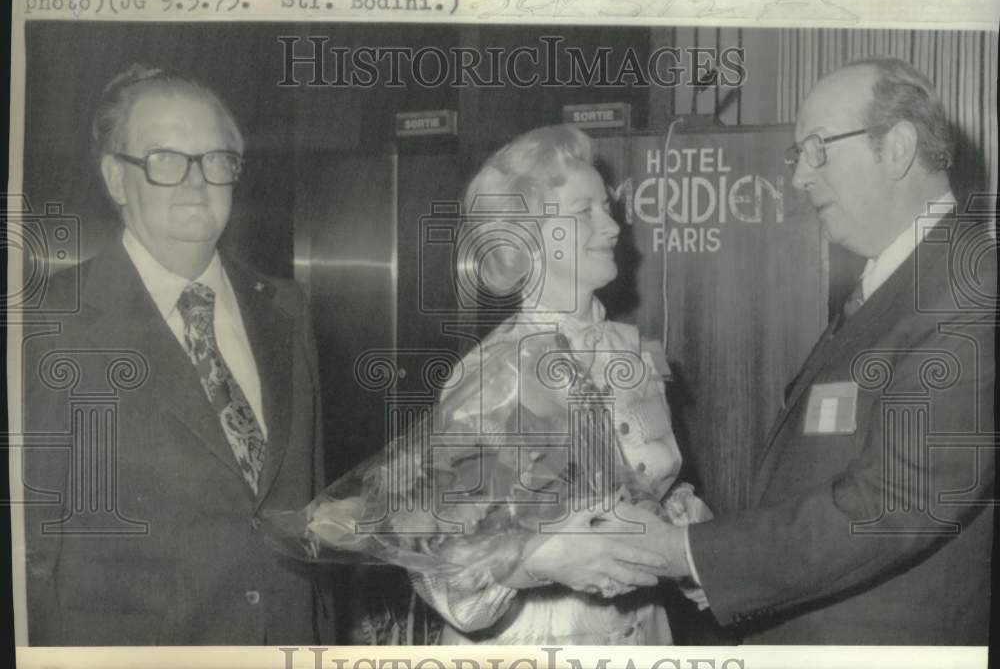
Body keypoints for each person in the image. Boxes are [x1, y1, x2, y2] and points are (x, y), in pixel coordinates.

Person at [294, 125, 709, 645]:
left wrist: (683, 526)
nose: (611, 227)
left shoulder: (628, 353)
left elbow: (640, 488)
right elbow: (447, 571)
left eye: (607, 207)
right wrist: (542, 561)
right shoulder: (497, 373)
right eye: (583, 212)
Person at [628, 58, 995, 644]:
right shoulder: (906, 277)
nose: (799, 178)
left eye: (819, 148)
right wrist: (721, 541)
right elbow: (828, 469)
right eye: (799, 155)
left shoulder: (968, 290)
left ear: (897, 147)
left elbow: (893, 505)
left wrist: (693, 555)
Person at [22, 65, 334, 645]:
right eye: (166, 158)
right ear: (118, 179)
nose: (197, 181)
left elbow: (304, 514)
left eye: (216, 159)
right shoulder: (44, 324)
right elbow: (28, 551)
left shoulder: (287, 310)